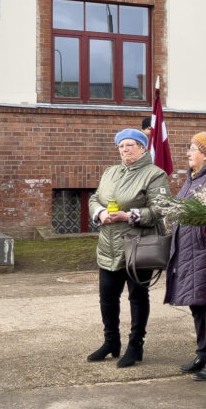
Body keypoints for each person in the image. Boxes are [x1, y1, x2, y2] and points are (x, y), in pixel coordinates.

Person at [87, 128, 171, 367]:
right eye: (121, 146)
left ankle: (136, 345)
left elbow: (161, 208)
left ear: (142, 148)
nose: (125, 150)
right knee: (107, 297)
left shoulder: (154, 174)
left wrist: (128, 216)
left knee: (137, 297)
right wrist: (100, 213)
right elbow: (94, 198)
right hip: (108, 245)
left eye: (130, 145)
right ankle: (111, 342)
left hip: (138, 246)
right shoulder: (110, 172)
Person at [163, 132, 206, 381]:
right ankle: (203, 354)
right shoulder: (193, 177)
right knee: (197, 305)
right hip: (188, 252)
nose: (188, 153)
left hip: (205, 251)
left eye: (193, 148)